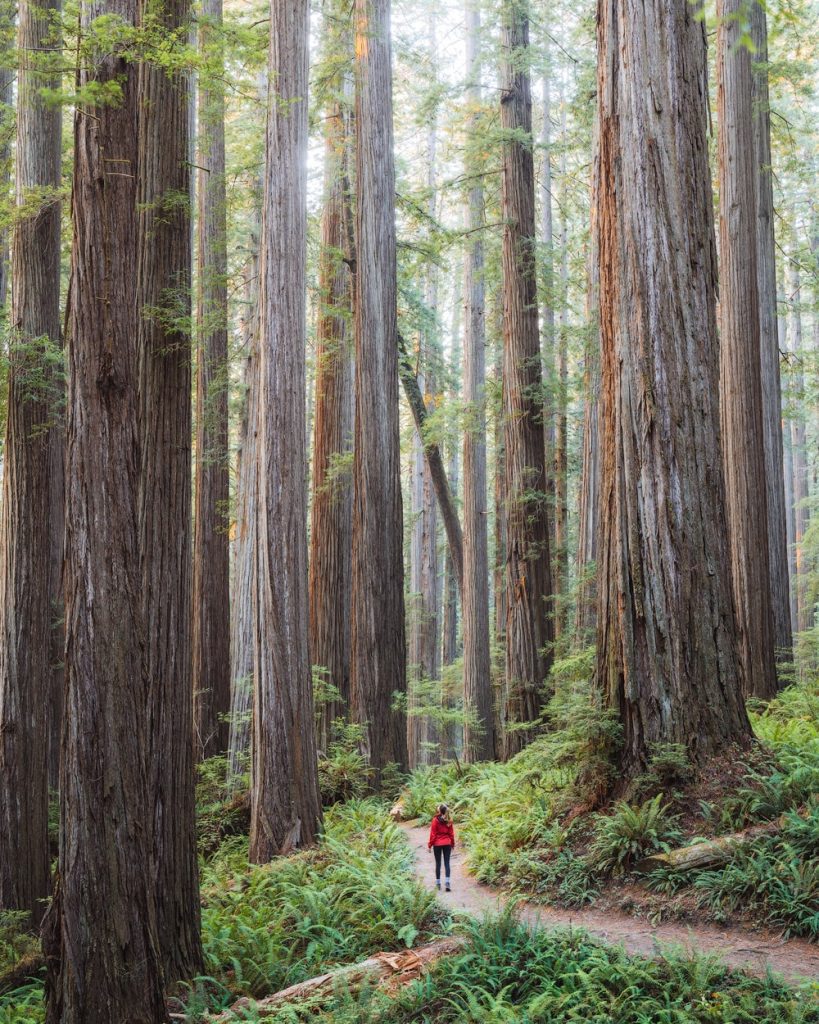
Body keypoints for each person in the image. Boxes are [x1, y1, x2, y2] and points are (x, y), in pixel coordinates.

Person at [427, 803, 455, 892]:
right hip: (447, 843)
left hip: (437, 844)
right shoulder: (449, 820)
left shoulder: (435, 820)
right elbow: (451, 834)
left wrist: (430, 845)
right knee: (447, 863)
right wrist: (452, 844)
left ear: (440, 811)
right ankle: (447, 883)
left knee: (438, 863)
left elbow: (433, 834)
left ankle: (438, 884)